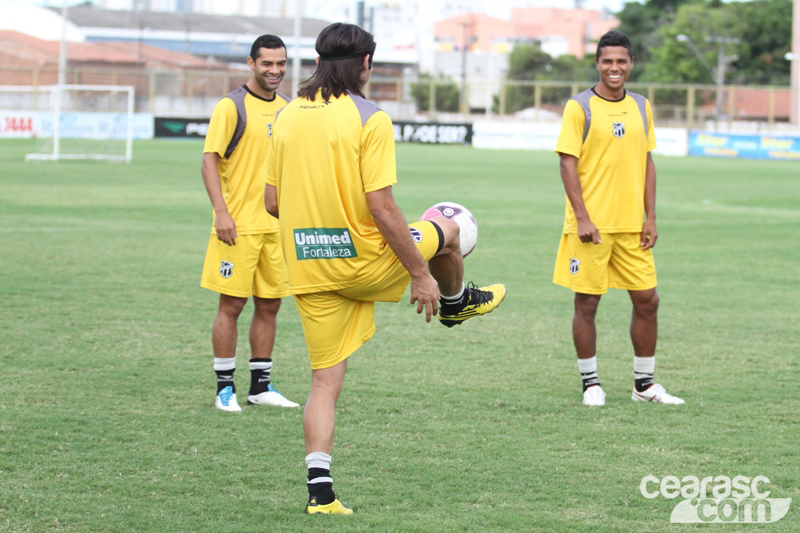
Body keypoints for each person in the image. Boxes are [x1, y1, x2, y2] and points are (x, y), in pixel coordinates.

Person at [264, 22, 506, 514]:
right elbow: (382, 207)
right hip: (367, 261)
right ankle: (456, 304)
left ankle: (321, 494)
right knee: (450, 221)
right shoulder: (369, 118)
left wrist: (318, 220)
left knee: (324, 382)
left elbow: (272, 202)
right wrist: (419, 274)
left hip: (310, 266)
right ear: (366, 64)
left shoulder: (286, 117)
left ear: (316, 61)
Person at [553, 29, 684, 407]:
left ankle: (644, 385)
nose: (614, 68)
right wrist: (582, 217)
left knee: (648, 300)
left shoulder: (641, 106)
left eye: (621, 61)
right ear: (597, 63)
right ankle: (590, 384)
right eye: (607, 61)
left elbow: (646, 162)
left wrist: (651, 217)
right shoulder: (580, 107)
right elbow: (567, 163)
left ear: (630, 64)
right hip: (591, 227)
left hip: (631, 227)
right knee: (587, 305)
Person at [200, 34, 299, 412]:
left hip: (275, 227)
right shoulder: (232, 106)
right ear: (251, 63)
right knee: (232, 305)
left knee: (271, 306)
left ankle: (260, 386)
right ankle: (225, 388)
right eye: (267, 63)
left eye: (281, 64)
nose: (275, 71)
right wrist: (222, 213)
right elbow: (209, 160)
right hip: (237, 226)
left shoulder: (288, 109)